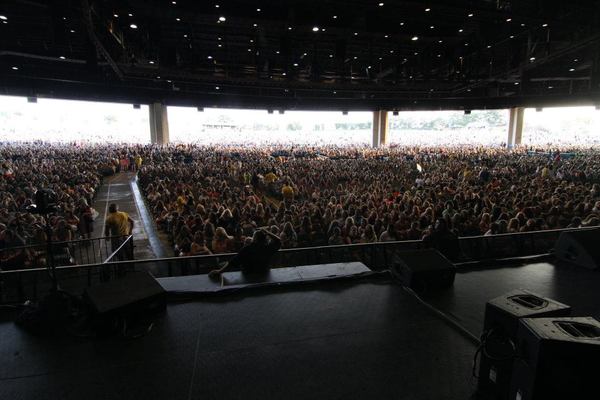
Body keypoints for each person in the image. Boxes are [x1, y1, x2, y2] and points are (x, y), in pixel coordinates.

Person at [208, 227, 281, 278]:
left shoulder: (247, 249)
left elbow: (233, 262)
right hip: (265, 275)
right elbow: (278, 241)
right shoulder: (268, 248)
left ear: (254, 238)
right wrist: (268, 233)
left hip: (249, 276)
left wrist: (220, 271)